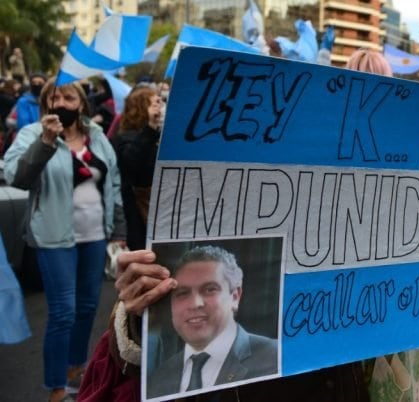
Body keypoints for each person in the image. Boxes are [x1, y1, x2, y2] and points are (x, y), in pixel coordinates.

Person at [3, 78, 125, 402]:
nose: (61, 102)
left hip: (95, 234)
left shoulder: (97, 137)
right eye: (53, 97)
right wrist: (45, 141)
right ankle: (57, 387)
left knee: (87, 307)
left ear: (81, 104)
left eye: (68, 97)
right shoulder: (32, 134)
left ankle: (76, 369)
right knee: (63, 312)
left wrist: (120, 230)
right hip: (54, 237)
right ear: (45, 105)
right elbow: (18, 177)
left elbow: (113, 183)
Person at [146, 246, 278, 398]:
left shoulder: (275, 357)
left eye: (210, 289)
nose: (195, 303)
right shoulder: (159, 378)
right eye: (182, 293)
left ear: (235, 297)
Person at [111, 87, 164, 251]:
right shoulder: (125, 138)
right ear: (141, 107)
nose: (160, 107)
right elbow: (131, 164)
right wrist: (150, 127)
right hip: (137, 214)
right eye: (154, 103)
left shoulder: (155, 135)